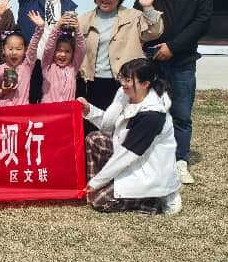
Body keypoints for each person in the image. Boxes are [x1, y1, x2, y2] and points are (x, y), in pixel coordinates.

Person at [107, 0, 213, 185]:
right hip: (148, 62)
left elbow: (202, 22)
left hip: (182, 62)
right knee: (142, 111)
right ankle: (143, 156)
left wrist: (173, 47)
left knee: (181, 114)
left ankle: (180, 161)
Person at [78, 58, 182, 215]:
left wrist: (96, 182)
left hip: (147, 171)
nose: (123, 83)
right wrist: (89, 111)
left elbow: (127, 155)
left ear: (145, 84)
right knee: (94, 139)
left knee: (99, 202)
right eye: (122, 78)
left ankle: (155, 201)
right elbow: (111, 126)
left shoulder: (152, 115)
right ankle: (99, 187)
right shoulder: (126, 94)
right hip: (129, 158)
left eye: (128, 80)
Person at [77, 0, 163, 111]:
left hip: (125, 81)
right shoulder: (83, 20)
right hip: (91, 82)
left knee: (122, 119)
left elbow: (154, 32)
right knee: (92, 120)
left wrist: (148, 7)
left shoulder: (134, 17)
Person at [15, 0, 78, 102]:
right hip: (32, 62)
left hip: (55, 64)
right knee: (28, 102)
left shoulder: (66, 5)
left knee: (51, 103)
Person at [0, 1, 45, 107]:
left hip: (22, 112)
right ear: (3, 50)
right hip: (3, 112)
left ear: (25, 50)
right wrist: (3, 91)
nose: (14, 52)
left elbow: (33, 46)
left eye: (18, 49)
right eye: (10, 49)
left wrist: (40, 28)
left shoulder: (27, 66)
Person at [41, 17, 86, 103]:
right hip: (48, 109)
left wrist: (77, 31)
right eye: (59, 50)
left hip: (67, 109)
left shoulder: (73, 68)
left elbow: (81, 50)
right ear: (53, 51)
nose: (63, 54)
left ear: (73, 54)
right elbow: (48, 48)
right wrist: (57, 27)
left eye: (67, 51)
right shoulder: (47, 66)